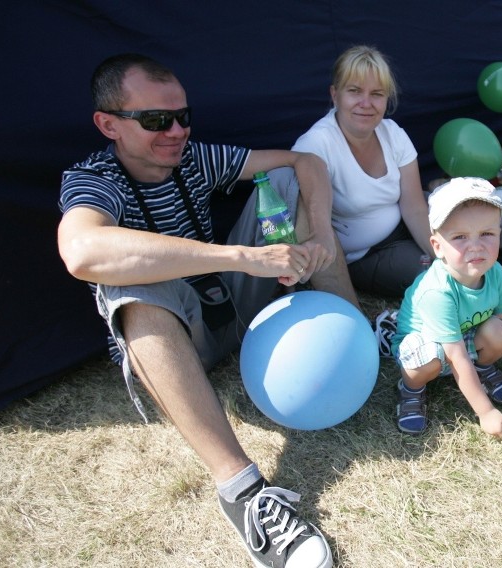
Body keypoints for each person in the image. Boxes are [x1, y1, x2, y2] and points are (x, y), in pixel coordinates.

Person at [57, 53, 337, 568]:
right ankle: (243, 492)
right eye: (156, 120)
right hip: (179, 337)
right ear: (108, 125)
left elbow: (308, 162)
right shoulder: (93, 179)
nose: (176, 131)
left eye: (183, 116)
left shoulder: (197, 158)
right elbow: (81, 252)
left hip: (239, 305)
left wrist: (318, 233)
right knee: (124, 289)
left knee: (289, 181)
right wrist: (241, 257)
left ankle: (354, 328)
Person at [271, 45, 434, 299]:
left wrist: (443, 254)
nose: (366, 104)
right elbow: (301, 221)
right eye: (355, 91)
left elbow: (414, 206)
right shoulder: (315, 146)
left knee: (465, 247)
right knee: (429, 277)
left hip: (403, 229)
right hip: (365, 255)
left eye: (377, 94)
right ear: (335, 95)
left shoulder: (393, 133)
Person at [389, 177, 502, 436]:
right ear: (437, 247)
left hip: (464, 335)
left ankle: (479, 366)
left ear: (499, 234)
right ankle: (410, 389)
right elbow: (455, 356)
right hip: (428, 346)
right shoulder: (437, 291)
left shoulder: (495, 272)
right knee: (429, 358)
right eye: (460, 237)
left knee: (498, 330)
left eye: (487, 234)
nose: (476, 246)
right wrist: (485, 412)